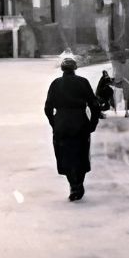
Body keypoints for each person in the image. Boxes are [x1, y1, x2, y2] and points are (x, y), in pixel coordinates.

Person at [44, 52, 99, 200]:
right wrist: (92, 123)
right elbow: (94, 105)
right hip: (80, 123)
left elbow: (48, 108)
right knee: (81, 154)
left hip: (62, 124)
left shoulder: (55, 84)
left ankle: (73, 184)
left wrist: (54, 123)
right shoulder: (83, 82)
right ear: (75, 68)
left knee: (64, 155)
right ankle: (78, 183)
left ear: (62, 69)